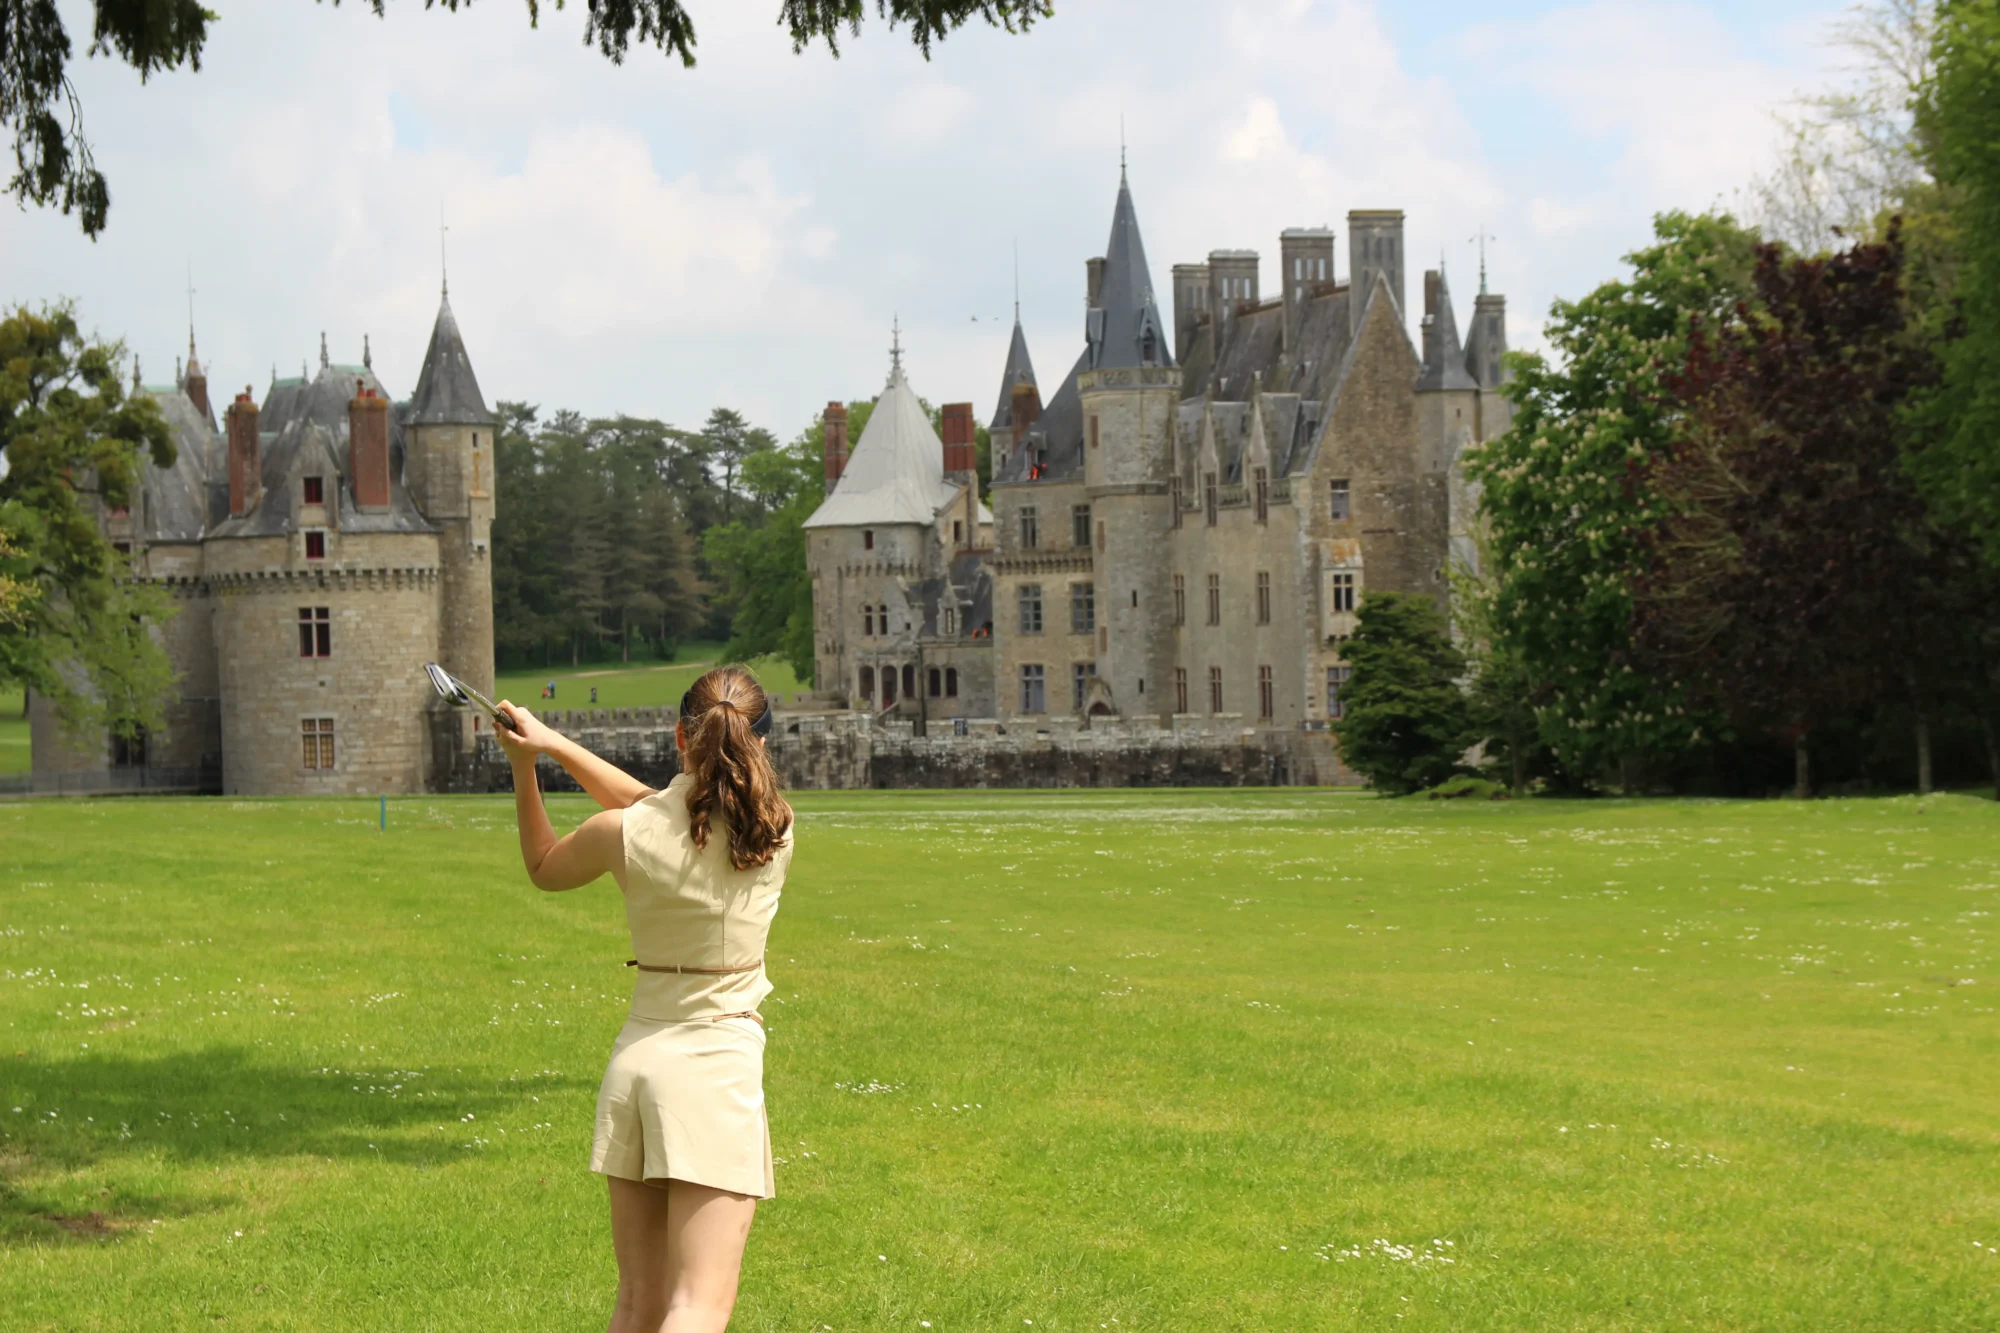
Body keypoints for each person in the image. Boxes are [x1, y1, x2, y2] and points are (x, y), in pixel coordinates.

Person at [494, 666, 793, 1333]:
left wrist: (530, 764)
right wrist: (550, 743)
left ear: (678, 737)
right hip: (715, 1064)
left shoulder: (621, 832)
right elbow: (654, 806)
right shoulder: (774, 828)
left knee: (638, 1303)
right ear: (760, 743)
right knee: (698, 1305)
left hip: (638, 1062)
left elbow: (553, 861)